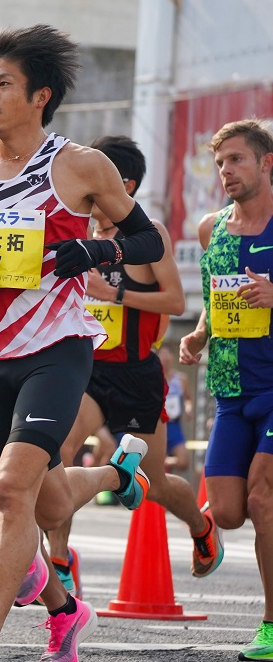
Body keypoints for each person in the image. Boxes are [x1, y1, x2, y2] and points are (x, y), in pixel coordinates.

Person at [0, 24, 165, 662]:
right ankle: (116, 474)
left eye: (4, 84)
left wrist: (93, 248)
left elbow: (148, 243)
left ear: (41, 95)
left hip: (58, 347)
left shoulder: (80, 165)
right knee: (48, 497)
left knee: (9, 490)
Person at [47, 135, 223, 595]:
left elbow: (176, 299)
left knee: (156, 483)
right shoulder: (79, 232)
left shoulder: (149, 236)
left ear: (121, 184)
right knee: (56, 451)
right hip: (85, 368)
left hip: (137, 372)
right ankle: (61, 559)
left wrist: (115, 294)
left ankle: (201, 528)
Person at [179, 118, 273, 662]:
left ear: (266, 163)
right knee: (232, 512)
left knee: (263, 500)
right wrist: (197, 333)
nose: (226, 172)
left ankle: (271, 623)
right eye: (220, 163)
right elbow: (218, 300)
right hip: (232, 392)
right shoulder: (210, 228)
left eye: (236, 160)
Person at [158, 343, 193, 472]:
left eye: (168, 355)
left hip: (174, 425)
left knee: (183, 462)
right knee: (154, 464)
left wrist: (188, 408)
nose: (165, 359)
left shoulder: (181, 379)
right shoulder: (153, 379)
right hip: (158, 425)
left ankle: (165, 462)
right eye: (162, 355)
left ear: (172, 357)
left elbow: (188, 398)